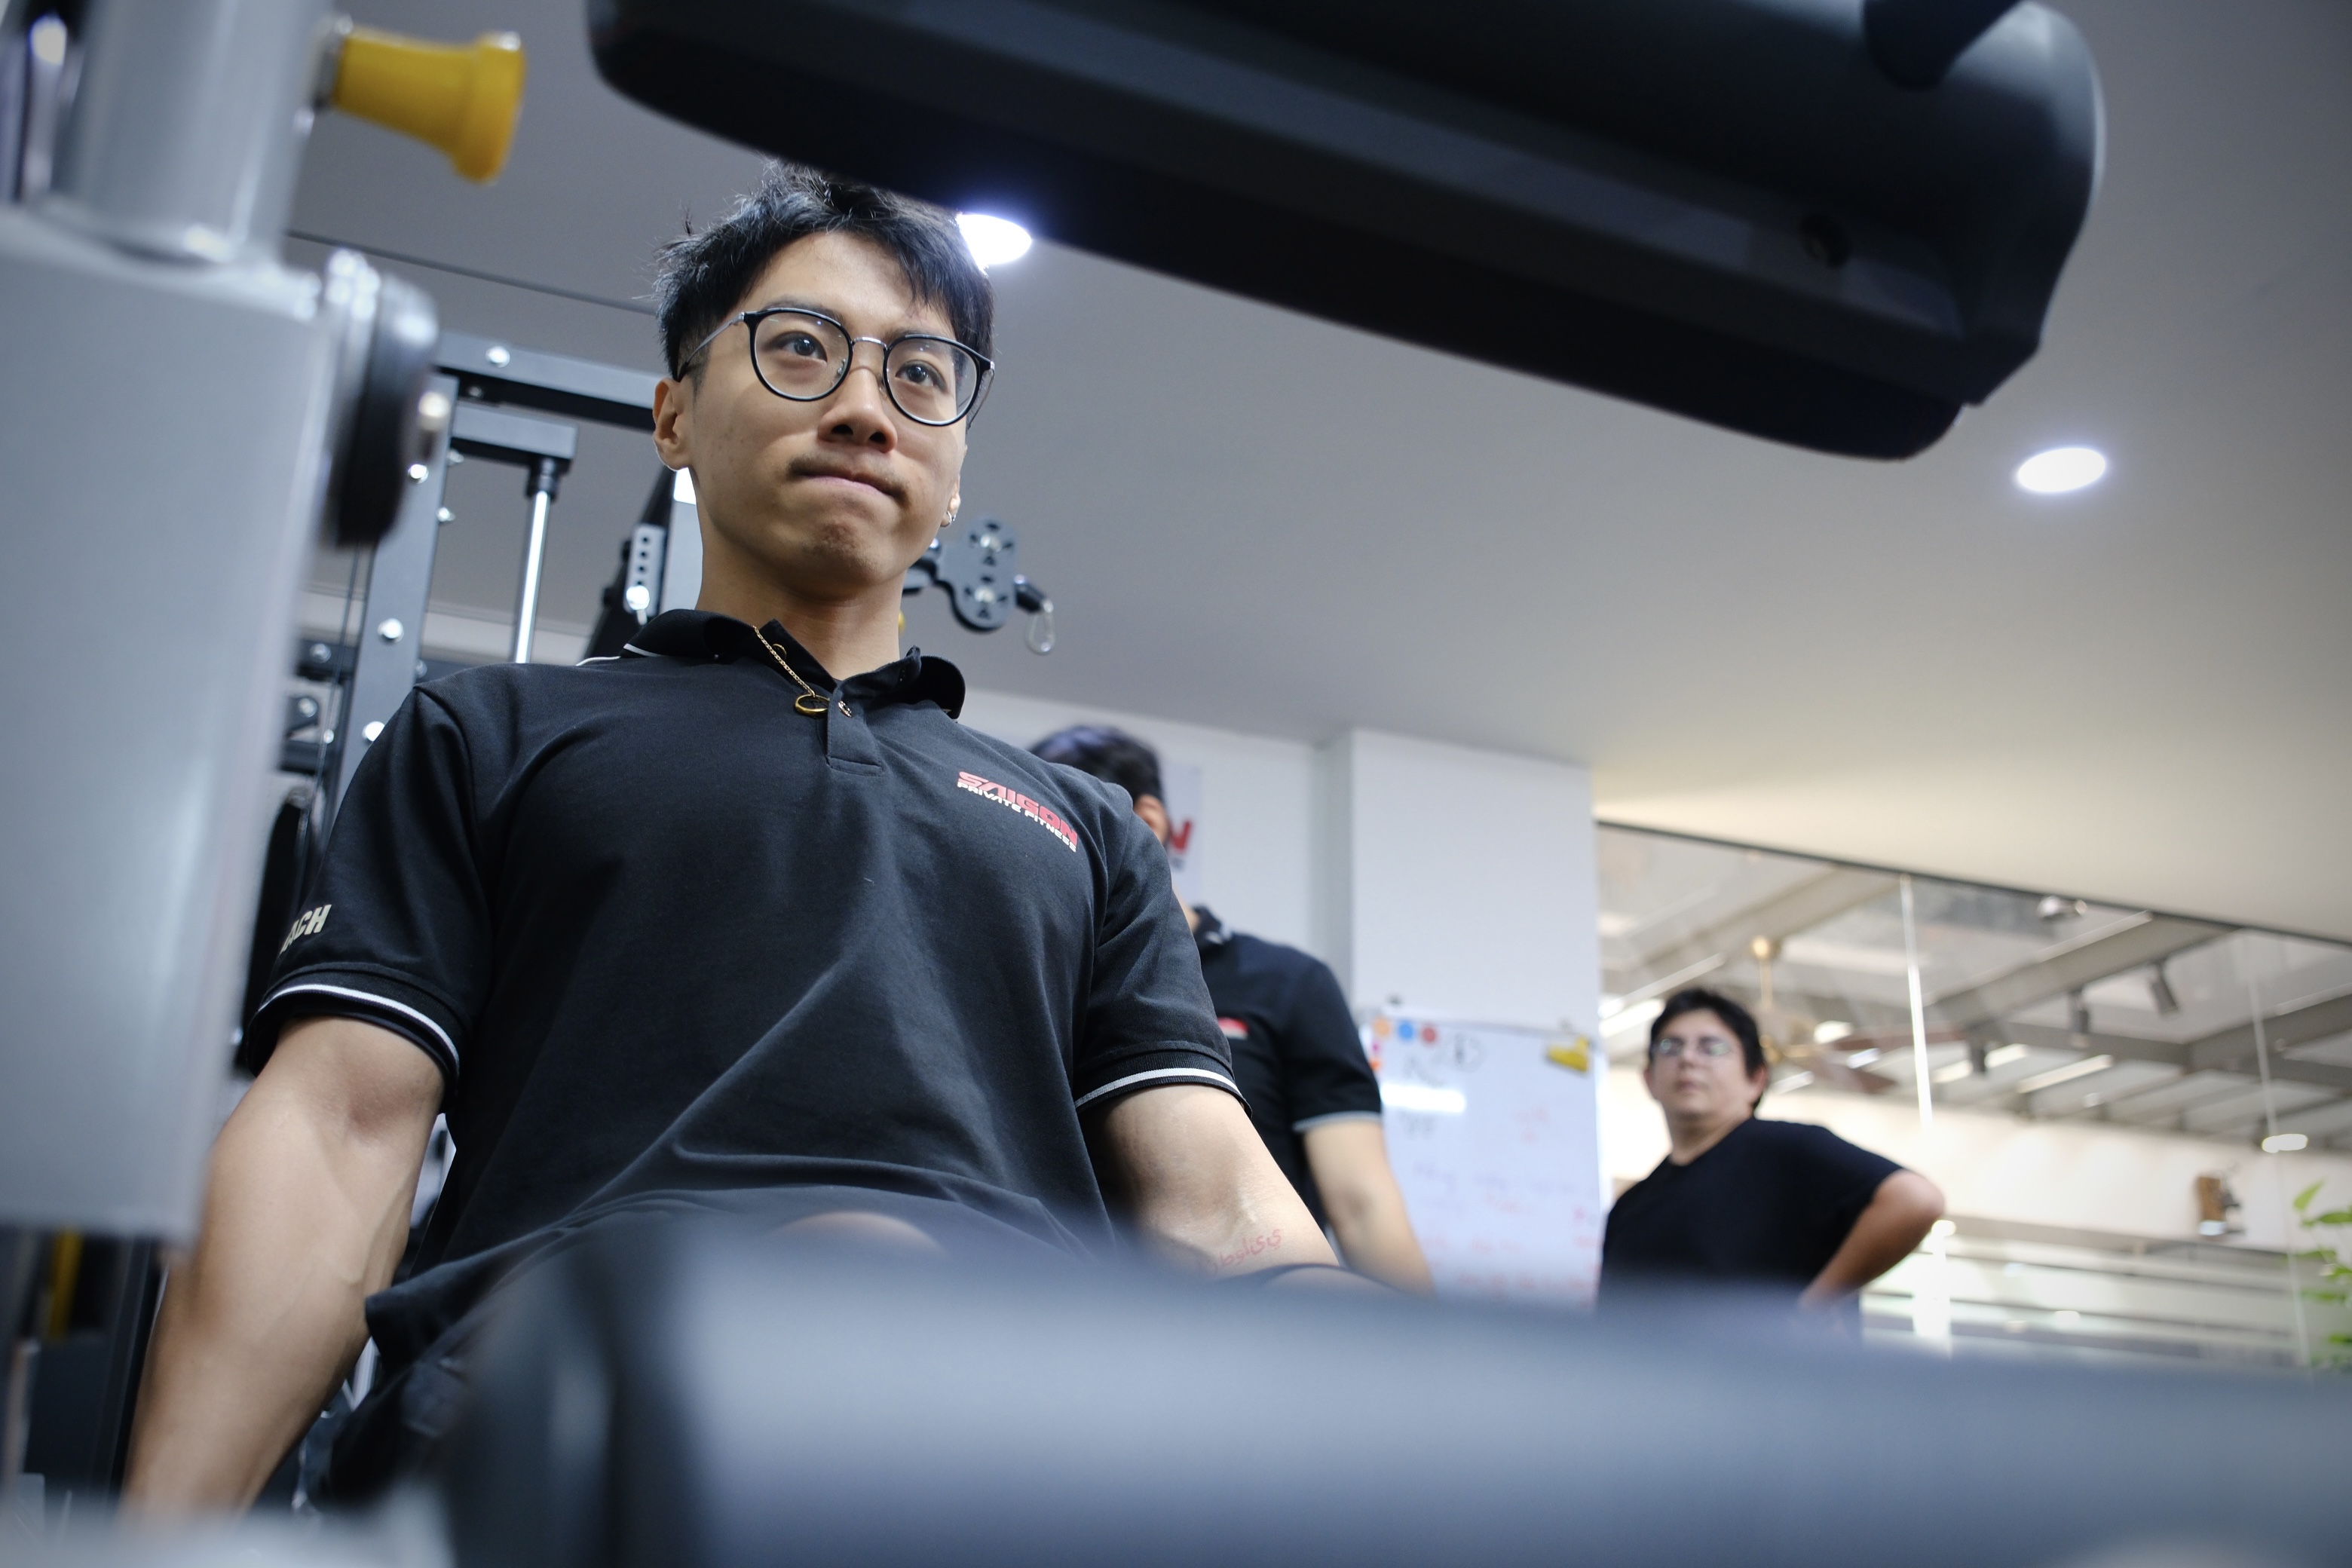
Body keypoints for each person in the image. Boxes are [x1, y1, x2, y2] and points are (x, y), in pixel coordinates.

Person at [124, 165, 1352, 1514]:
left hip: (1010, 1427)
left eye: (921, 376)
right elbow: (338, 1130)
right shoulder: (491, 733)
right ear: (674, 415)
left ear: (953, 469)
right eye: (802, 348)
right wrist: (162, 1538)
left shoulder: (1085, 830)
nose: (866, 410)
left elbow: (1223, 1209)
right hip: (566, 1393)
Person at [1030, 726, 1434, 1294]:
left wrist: (1433, 1362)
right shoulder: (1038, 980)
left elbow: (1363, 1202)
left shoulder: (1287, 982)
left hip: (1245, 1319)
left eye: (1058, 825)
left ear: (1147, 820)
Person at [1598, 988, 1943, 1325]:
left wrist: (1809, 1311)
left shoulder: (1788, 1150)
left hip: (1775, 1380)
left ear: (1756, 1078)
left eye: (1712, 1048)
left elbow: (1915, 1200)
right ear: (1649, 1079)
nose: (1688, 1059)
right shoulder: (1632, 1208)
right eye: (1671, 1047)